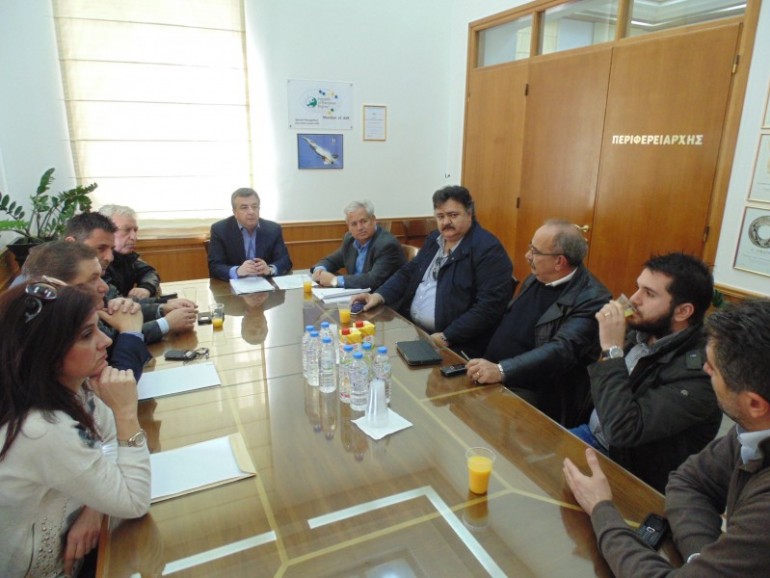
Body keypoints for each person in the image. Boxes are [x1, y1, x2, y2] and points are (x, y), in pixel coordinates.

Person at [564, 299, 770, 577]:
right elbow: (689, 481)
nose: (705, 370)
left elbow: (622, 429)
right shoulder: (755, 428)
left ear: (755, 404)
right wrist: (701, 557)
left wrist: (602, 510)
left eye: (713, 368)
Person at [0, 281, 151, 578]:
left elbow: (107, 440)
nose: (105, 341)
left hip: (83, 550)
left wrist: (93, 507)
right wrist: (125, 413)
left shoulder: (75, 387)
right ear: (46, 351)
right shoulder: (39, 429)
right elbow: (134, 502)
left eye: (97, 329)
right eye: (86, 335)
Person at [570, 252, 721, 492]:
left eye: (649, 294)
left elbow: (622, 431)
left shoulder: (702, 374)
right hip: (590, 435)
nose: (634, 299)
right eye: (637, 287)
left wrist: (611, 350)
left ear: (682, 312)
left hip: (630, 473)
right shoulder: (639, 331)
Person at [465, 219, 611, 427]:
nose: (527, 256)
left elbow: (561, 350)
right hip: (492, 371)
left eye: (534, 251)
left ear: (559, 262)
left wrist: (502, 370)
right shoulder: (538, 277)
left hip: (535, 390)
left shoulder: (593, 298)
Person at [353, 185, 513, 357]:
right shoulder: (435, 239)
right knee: (368, 353)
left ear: (469, 214)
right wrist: (378, 296)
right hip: (413, 330)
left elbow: (488, 307)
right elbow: (408, 272)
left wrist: (447, 336)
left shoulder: (488, 250)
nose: (446, 222)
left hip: (455, 344)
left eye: (453, 215)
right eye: (440, 216)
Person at [22, 240, 151, 379]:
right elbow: (117, 383)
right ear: (56, 287)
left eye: (101, 277)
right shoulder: (46, 333)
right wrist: (130, 332)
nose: (104, 287)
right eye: (92, 279)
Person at [64, 212, 197, 343]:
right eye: (101, 248)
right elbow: (109, 341)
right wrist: (165, 324)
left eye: (111, 249)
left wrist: (162, 308)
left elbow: (119, 306)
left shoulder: (123, 258)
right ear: (71, 244)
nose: (110, 257)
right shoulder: (64, 292)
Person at [310, 200, 405, 290]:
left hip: (379, 297)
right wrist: (319, 271)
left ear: (373, 220)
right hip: (355, 293)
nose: (360, 228)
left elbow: (373, 280)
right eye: (354, 224)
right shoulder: (350, 240)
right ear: (348, 227)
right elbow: (331, 261)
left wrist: (334, 281)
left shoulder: (386, 245)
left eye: (364, 221)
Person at [208, 188, 293, 281]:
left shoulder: (273, 229)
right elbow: (214, 266)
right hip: (232, 286)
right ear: (235, 212)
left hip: (266, 284)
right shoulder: (220, 230)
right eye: (244, 207)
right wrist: (237, 271)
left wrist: (270, 269)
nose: (251, 212)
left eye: (254, 206)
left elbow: (285, 261)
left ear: (259, 209)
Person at [99, 204, 161, 299]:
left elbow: (149, 272)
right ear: (104, 231)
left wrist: (146, 288)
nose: (134, 237)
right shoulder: (95, 261)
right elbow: (115, 301)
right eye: (126, 230)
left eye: (135, 230)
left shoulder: (127, 256)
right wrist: (161, 307)